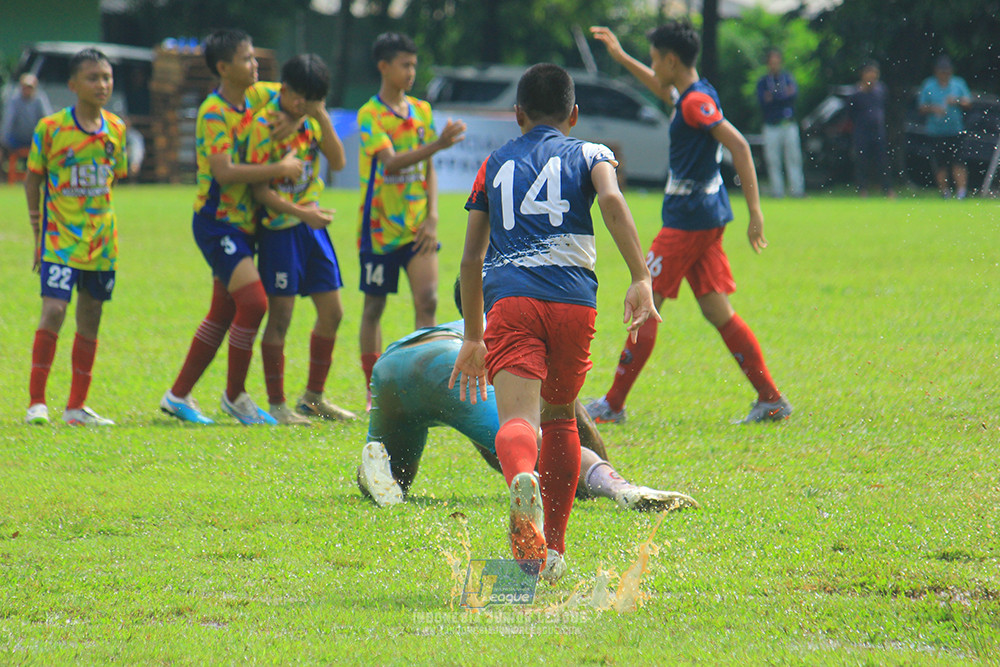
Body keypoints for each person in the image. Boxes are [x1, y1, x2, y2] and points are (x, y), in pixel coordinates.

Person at [449, 63, 659, 583]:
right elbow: (611, 200)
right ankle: (555, 550)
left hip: (512, 301)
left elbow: (471, 258)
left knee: (518, 420)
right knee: (561, 414)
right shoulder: (592, 152)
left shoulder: (494, 163)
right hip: (573, 302)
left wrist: (474, 335)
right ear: (575, 114)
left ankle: (522, 477)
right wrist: (640, 276)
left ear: (517, 115)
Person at [586, 22, 792, 426]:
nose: (652, 65)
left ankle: (612, 404)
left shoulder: (697, 103)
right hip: (703, 218)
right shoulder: (694, 94)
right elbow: (662, 88)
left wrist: (756, 211)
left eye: (653, 58)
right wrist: (622, 58)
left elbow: (739, 145)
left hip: (688, 222)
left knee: (646, 300)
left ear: (672, 60)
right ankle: (770, 399)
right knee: (718, 310)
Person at [358, 282, 697, 512]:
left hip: (393, 365)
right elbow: (567, 409)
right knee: (532, 439)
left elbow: (490, 447)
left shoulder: (471, 318)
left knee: (397, 476)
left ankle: (372, 467)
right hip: (455, 361)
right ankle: (622, 489)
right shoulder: (518, 320)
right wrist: (599, 470)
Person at [160, 28, 303, 426]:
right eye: (246, 59)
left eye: (254, 57)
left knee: (222, 312)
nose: (254, 64)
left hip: (244, 225)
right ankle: (235, 395)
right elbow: (223, 171)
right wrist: (282, 167)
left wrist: (295, 121)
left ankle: (177, 395)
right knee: (255, 302)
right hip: (216, 222)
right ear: (223, 68)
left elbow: (298, 96)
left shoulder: (258, 96)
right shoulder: (212, 112)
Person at [356, 32, 466, 409]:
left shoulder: (421, 110)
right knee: (374, 307)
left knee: (429, 301)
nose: (411, 72)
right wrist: (438, 144)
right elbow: (390, 162)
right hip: (379, 229)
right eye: (404, 64)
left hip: (419, 226)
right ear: (383, 66)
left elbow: (427, 167)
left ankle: (421, 387)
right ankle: (375, 391)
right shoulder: (370, 114)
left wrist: (433, 215)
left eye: (414, 65)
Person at [246, 53, 357, 425]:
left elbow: (339, 162)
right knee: (281, 317)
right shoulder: (265, 125)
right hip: (280, 232)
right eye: (299, 98)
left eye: (311, 100)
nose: (301, 106)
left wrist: (319, 114)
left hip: (312, 228)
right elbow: (260, 192)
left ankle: (313, 398)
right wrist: (303, 214)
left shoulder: (310, 122)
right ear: (285, 89)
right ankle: (277, 405)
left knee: (333, 312)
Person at [23, 49, 127, 425]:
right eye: (93, 78)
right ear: (73, 85)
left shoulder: (116, 128)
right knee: (53, 310)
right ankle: (37, 402)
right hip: (59, 240)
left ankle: (76, 408)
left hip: (101, 243)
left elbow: (115, 177)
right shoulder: (51, 129)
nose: (102, 84)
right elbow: (33, 179)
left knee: (91, 317)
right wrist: (38, 232)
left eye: (107, 77)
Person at [918, 55, 972, 199]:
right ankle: (945, 192)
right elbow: (921, 107)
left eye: (947, 71)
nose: (944, 74)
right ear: (936, 72)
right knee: (940, 164)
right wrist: (933, 108)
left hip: (956, 130)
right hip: (935, 132)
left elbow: (968, 102)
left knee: (959, 162)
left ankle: (961, 192)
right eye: (942, 71)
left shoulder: (958, 84)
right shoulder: (929, 85)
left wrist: (957, 101)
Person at [756, 48, 805, 198]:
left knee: (793, 157)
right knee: (773, 159)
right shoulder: (764, 82)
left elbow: (793, 95)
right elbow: (763, 101)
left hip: (787, 123)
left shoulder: (787, 78)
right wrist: (782, 96)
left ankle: (797, 190)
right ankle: (777, 191)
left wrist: (775, 97)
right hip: (771, 124)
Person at [848, 61, 893, 198]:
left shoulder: (881, 90)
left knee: (883, 161)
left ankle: (887, 189)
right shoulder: (856, 93)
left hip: (878, 131)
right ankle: (862, 189)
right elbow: (850, 113)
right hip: (862, 131)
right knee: (862, 161)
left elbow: (886, 107)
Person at [3, 73, 52, 183]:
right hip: (17, 140)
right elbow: (8, 122)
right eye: (25, 87)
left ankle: (47, 178)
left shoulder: (40, 100)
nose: (27, 90)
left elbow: (47, 120)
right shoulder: (14, 100)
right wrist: (4, 140)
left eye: (30, 87)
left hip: (35, 139)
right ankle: (4, 178)